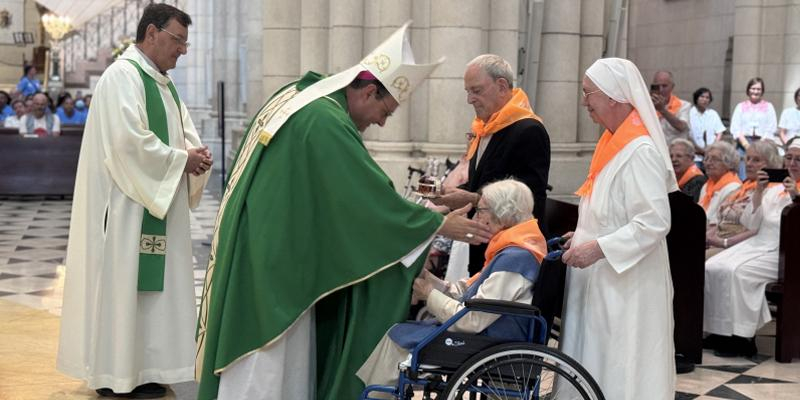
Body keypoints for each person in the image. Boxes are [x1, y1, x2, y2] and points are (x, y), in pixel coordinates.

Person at [195, 22, 493, 400]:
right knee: (269, 367)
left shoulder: (303, 96)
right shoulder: (326, 121)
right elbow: (367, 198)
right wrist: (435, 224)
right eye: (385, 110)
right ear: (368, 91)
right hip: (279, 270)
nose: (382, 122)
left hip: (267, 248)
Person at [57, 4, 212, 399]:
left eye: (185, 43)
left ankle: (145, 368)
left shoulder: (163, 84)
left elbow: (183, 133)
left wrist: (196, 154)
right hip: (127, 210)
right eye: (177, 40)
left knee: (153, 297)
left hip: (157, 203)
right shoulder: (121, 78)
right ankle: (115, 375)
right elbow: (128, 143)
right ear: (151, 34)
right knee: (124, 289)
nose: (182, 50)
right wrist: (181, 159)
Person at [356, 179, 546, 393]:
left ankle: (374, 394)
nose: (477, 217)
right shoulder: (515, 246)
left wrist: (429, 295)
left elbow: (471, 321)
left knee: (397, 339)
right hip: (490, 334)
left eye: (481, 210)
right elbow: (469, 291)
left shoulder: (515, 257)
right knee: (397, 333)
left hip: (491, 341)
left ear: (502, 212)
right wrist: (431, 280)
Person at [561, 58, 677, 400]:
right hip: (602, 273)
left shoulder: (639, 150)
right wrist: (583, 233)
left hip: (626, 280)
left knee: (619, 360)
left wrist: (596, 247)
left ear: (613, 96)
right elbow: (609, 208)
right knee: (593, 353)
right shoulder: (612, 142)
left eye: (588, 93)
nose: (585, 103)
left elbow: (654, 220)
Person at [431, 54, 551, 276]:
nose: (469, 99)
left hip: (512, 254)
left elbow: (528, 198)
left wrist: (473, 198)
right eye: (467, 92)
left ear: (502, 86)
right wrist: (452, 194)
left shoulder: (528, 130)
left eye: (476, 91)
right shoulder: (487, 128)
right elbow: (486, 181)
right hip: (484, 245)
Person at [703, 140, 800, 357]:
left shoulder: (794, 191)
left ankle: (742, 338)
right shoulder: (775, 191)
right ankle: (719, 332)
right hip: (757, 243)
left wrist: (796, 197)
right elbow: (751, 223)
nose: (792, 163)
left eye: (798, 159)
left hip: (785, 253)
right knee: (712, 266)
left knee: (737, 272)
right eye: (790, 158)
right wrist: (759, 191)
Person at [705, 140, 781, 259]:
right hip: (716, 242)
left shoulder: (771, 192)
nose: (749, 164)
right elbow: (719, 222)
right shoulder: (741, 188)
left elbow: (757, 230)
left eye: (756, 160)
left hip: (739, 246)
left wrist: (724, 242)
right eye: (748, 159)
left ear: (771, 164)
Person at [699, 141, 742, 224]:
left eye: (714, 159)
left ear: (729, 163)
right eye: (706, 158)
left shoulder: (734, 188)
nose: (708, 163)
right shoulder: (707, 186)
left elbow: (718, 221)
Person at [651, 70, 691, 145]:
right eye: (657, 86)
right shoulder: (647, 106)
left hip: (675, 152)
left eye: (664, 86)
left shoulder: (684, 105)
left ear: (672, 87)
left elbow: (682, 127)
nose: (661, 90)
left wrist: (662, 110)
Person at [689, 87, 726, 167]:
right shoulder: (689, 113)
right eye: (702, 97)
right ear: (696, 98)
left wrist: (713, 146)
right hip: (695, 155)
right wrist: (699, 149)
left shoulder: (713, 114)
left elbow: (720, 132)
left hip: (710, 154)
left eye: (707, 98)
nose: (705, 100)